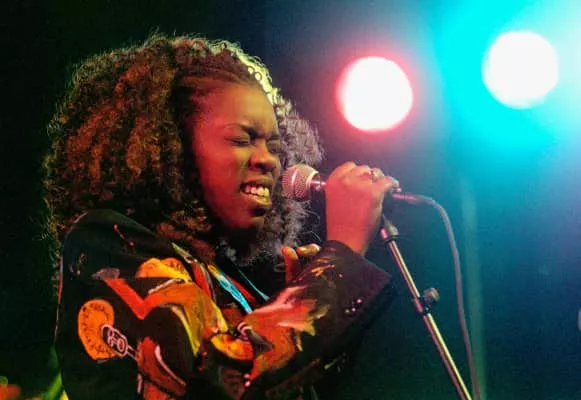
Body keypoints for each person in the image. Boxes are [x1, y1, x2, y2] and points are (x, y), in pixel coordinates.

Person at [45, 34, 400, 399]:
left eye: (274, 147)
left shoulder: (235, 283)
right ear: (175, 148)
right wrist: (340, 262)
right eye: (242, 139)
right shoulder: (106, 242)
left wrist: (308, 291)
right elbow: (220, 380)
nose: (269, 160)